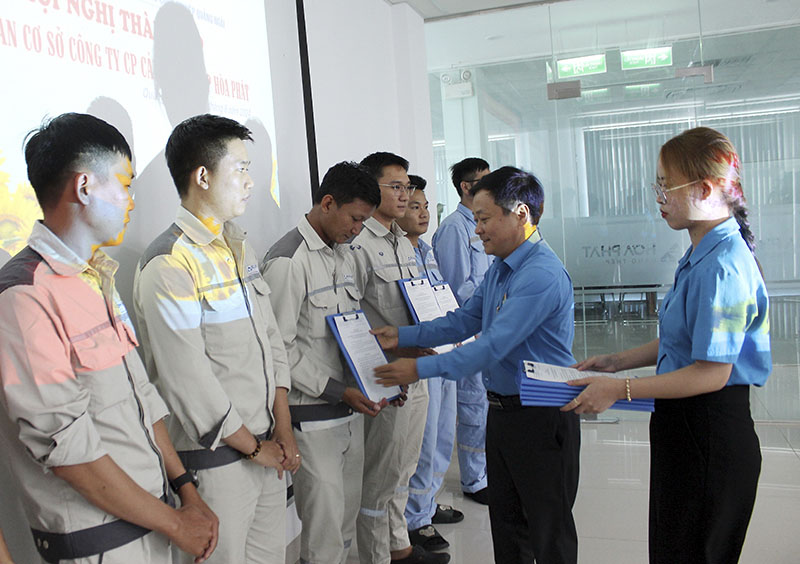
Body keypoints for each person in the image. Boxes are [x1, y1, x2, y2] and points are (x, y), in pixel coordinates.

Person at [0, 113, 218, 564]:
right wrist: (178, 522)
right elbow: (69, 452)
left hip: (154, 522)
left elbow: (141, 399)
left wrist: (185, 490)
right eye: (124, 184)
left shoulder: (93, 278)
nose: (132, 201)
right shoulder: (23, 295)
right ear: (84, 188)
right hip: (100, 546)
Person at [565, 127, 771, 564]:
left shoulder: (724, 266)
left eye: (666, 184)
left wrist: (619, 391)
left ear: (705, 188)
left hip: (711, 429)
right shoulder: (701, 252)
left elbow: (712, 372)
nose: (659, 196)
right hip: (684, 422)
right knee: (671, 542)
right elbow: (684, 340)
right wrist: (617, 362)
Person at [373, 166, 580, 564]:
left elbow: (492, 346)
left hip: (542, 415)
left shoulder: (540, 273)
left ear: (520, 214)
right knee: (508, 526)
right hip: (503, 413)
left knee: (548, 531)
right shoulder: (503, 265)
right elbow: (464, 320)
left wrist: (417, 369)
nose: (477, 230)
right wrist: (401, 336)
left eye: (484, 219)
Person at [133, 114, 297, 564]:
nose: (249, 182)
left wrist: (281, 427)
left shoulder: (236, 247)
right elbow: (188, 380)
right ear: (202, 176)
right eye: (240, 169)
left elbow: (270, 339)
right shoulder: (169, 262)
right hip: (220, 459)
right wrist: (253, 446)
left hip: (267, 448)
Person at [260, 161, 384, 564]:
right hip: (311, 416)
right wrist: (337, 390)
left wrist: (376, 380)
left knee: (344, 525)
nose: (357, 230)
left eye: (364, 222)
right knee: (323, 534)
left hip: (349, 409)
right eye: (354, 218)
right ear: (328, 203)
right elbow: (278, 350)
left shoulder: (343, 254)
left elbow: (349, 330)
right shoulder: (287, 261)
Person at [349, 153, 447, 564]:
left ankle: (399, 546)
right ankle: (377, 556)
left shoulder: (400, 242)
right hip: (386, 377)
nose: (406, 195)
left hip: (418, 369)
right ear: (374, 190)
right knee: (380, 477)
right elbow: (350, 321)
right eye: (397, 187)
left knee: (405, 468)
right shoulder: (359, 245)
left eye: (408, 187)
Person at [397, 175, 463, 552]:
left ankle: (428, 502)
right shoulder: (396, 251)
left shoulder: (425, 250)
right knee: (422, 440)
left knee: (441, 433)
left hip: (446, 350)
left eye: (424, 207)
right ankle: (415, 518)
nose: (421, 213)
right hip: (421, 356)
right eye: (414, 206)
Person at [431, 157, 491, 504]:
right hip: (469, 331)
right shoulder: (455, 228)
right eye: (484, 181)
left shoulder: (484, 222)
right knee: (471, 407)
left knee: (482, 408)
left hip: (489, 328)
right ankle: (475, 480)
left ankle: (482, 473)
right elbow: (453, 287)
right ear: (466, 187)